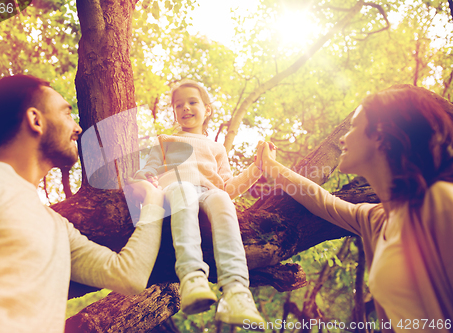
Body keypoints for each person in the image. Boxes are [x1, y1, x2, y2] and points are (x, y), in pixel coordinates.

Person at [0, 75, 165, 333]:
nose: (77, 128)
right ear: (36, 120)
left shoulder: (58, 228)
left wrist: (153, 200)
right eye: (67, 114)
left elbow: (129, 276)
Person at [259, 84, 453, 332]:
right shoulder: (377, 219)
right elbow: (321, 200)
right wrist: (270, 166)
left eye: (353, 128)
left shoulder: (440, 203)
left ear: (381, 135)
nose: (342, 138)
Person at [134, 79, 269, 327]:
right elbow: (148, 169)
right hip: (175, 189)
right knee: (184, 191)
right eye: (179, 105)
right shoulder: (165, 140)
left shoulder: (217, 148)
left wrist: (257, 168)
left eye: (192, 102)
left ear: (207, 110)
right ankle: (192, 277)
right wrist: (145, 179)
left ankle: (237, 290)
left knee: (223, 201)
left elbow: (229, 187)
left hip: (208, 192)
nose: (185, 108)